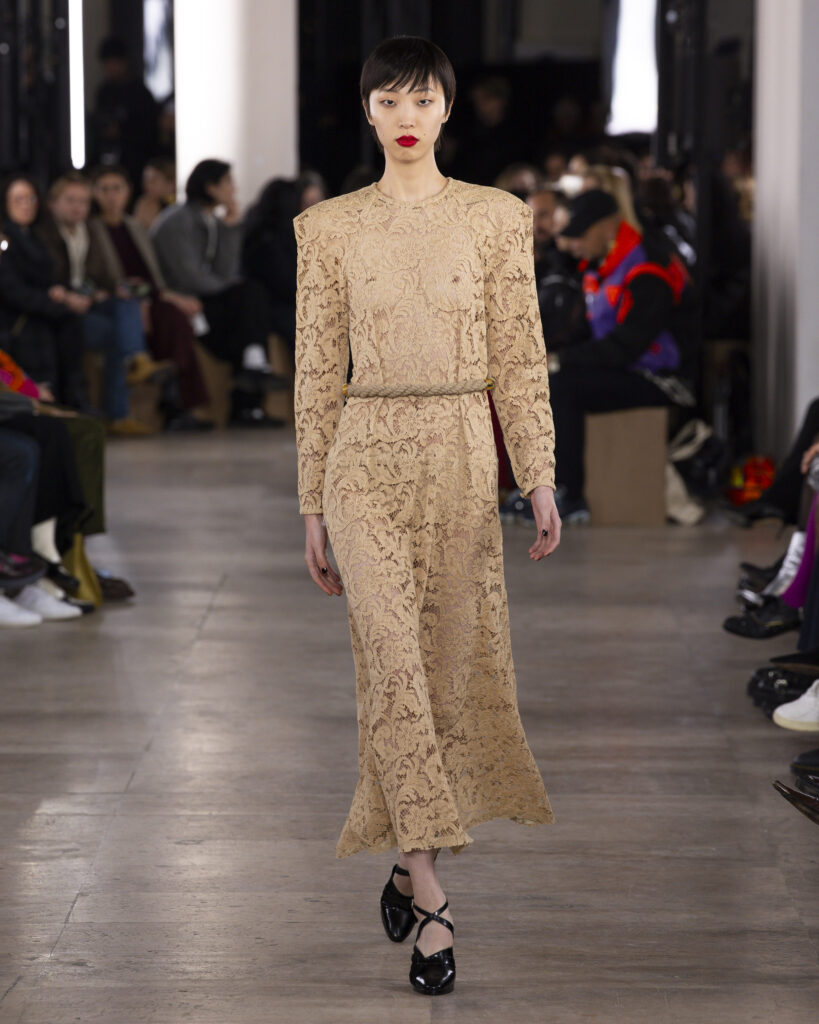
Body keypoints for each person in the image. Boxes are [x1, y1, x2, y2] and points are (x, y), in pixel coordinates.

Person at [293, 36, 561, 997]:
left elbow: (519, 355)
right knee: (392, 667)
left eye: (422, 99)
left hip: (458, 458)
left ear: (447, 108)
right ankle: (434, 898)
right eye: (388, 100)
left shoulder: (496, 218)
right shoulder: (326, 228)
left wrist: (538, 475)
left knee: (444, 675)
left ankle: (407, 860)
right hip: (363, 459)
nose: (405, 116)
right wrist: (310, 501)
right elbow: (316, 372)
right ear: (366, 111)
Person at [544, 188, 697, 523]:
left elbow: (626, 347)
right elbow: (590, 333)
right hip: (629, 368)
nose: (574, 244)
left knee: (562, 385)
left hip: (663, 380)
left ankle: (568, 494)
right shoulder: (604, 264)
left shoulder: (648, 267)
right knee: (549, 379)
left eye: (581, 234)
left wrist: (561, 360)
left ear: (608, 226)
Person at [39, 172, 170, 435]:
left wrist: (97, 291)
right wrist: (79, 294)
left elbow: (100, 276)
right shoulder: (44, 234)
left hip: (87, 302)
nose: (78, 207)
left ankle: (136, 361)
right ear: (53, 203)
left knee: (127, 302)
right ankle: (121, 405)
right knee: (117, 335)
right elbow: (49, 277)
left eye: (83, 202)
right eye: (70, 200)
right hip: (61, 309)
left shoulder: (89, 231)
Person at [151, 159, 289, 402]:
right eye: (227, 182)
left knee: (251, 297)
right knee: (248, 297)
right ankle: (252, 372)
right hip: (181, 300)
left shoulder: (211, 221)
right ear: (210, 187)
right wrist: (230, 287)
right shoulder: (177, 221)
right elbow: (189, 276)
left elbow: (226, 271)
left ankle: (253, 373)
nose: (234, 189)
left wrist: (230, 228)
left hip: (205, 297)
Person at [91, 165, 212, 429]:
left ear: (127, 191)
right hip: (120, 299)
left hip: (149, 296)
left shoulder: (135, 227)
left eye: (117, 189)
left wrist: (166, 296)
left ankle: (177, 402)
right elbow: (102, 277)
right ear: (95, 194)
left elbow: (151, 275)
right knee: (158, 318)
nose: (111, 196)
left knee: (176, 320)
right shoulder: (93, 230)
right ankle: (164, 393)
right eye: (104, 189)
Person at [0, 175, 89, 410]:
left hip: (37, 309)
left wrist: (62, 294)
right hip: (16, 318)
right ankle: (54, 399)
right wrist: (55, 303)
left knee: (73, 319)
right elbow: (12, 290)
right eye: (18, 199)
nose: (26, 205)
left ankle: (69, 399)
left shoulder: (36, 237)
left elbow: (46, 280)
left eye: (31, 198)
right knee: (63, 320)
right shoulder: (5, 240)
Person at [88, 36, 159, 187]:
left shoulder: (140, 93)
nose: (110, 68)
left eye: (114, 63)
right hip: (107, 156)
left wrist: (122, 130)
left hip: (135, 160)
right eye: (107, 64)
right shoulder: (104, 92)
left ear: (124, 62)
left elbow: (148, 131)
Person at [242, 179, 300, 359]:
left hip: (279, 306)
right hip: (275, 309)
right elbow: (285, 283)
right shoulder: (269, 239)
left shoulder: (261, 233)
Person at [133, 158, 177, 231]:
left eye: (153, 180)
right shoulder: (144, 203)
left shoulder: (178, 204)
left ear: (171, 183)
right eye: (145, 180)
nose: (147, 185)